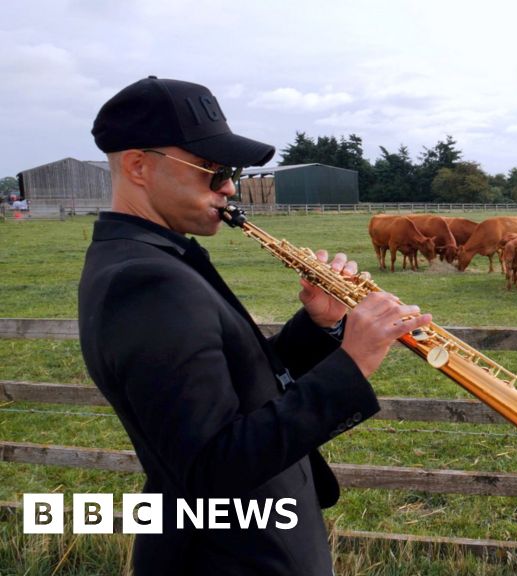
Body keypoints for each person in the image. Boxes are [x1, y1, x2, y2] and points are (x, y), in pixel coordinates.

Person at [79, 76, 432, 575]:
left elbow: (236, 388)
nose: (229, 187)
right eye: (213, 171)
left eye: (232, 173)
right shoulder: (145, 280)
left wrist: (320, 325)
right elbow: (211, 467)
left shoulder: (157, 256)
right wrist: (353, 363)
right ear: (139, 165)